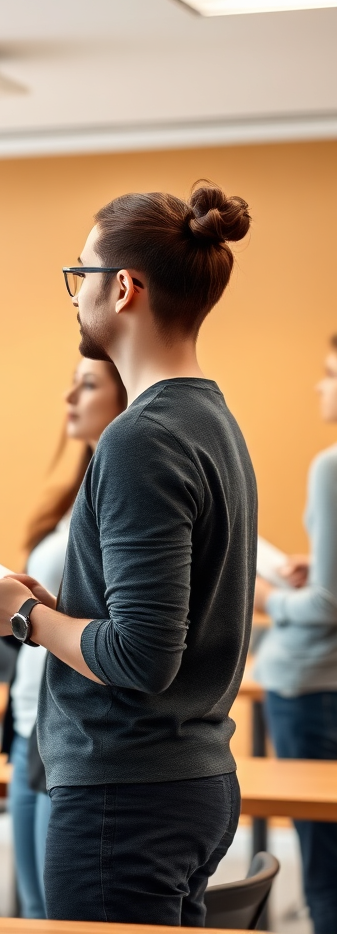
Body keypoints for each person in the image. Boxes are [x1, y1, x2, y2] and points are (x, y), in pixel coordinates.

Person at [0, 182, 255, 925]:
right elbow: (158, 628)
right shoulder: (211, 419)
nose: (73, 296)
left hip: (127, 796)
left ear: (123, 288)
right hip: (185, 780)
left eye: (81, 275)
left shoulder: (141, 437)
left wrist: (27, 617)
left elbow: (141, 659)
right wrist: (64, 613)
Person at [9, 356, 126, 919]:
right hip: (33, 717)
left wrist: (29, 614)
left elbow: (126, 632)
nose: (70, 399)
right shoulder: (77, 491)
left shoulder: (129, 482)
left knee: (50, 912)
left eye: (88, 385)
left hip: (69, 719)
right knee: (36, 905)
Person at [253, 335, 337, 934]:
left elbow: (327, 606)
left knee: (326, 862)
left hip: (312, 682)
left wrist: (269, 600)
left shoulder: (331, 465)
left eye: (330, 374)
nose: (320, 386)